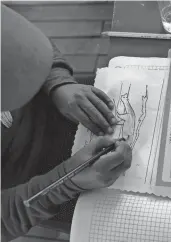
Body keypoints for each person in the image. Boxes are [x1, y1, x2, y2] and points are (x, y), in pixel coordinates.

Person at [1, 5, 132, 241]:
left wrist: (59, 84)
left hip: (70, 106)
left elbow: (24, 42)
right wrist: (64, 183)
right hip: (42, 187)